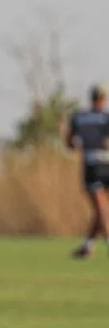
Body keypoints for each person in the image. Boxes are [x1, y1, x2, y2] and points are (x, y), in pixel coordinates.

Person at [66, 84, 109, 258]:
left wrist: (81, 146)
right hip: (107, 162)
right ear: (103, 98)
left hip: (92, 164)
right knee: (102, 208)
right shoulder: (106, 117)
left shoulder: (79, 117)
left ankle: (96, 244)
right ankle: (87, 246)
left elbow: (69, 143)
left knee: (101, 208)